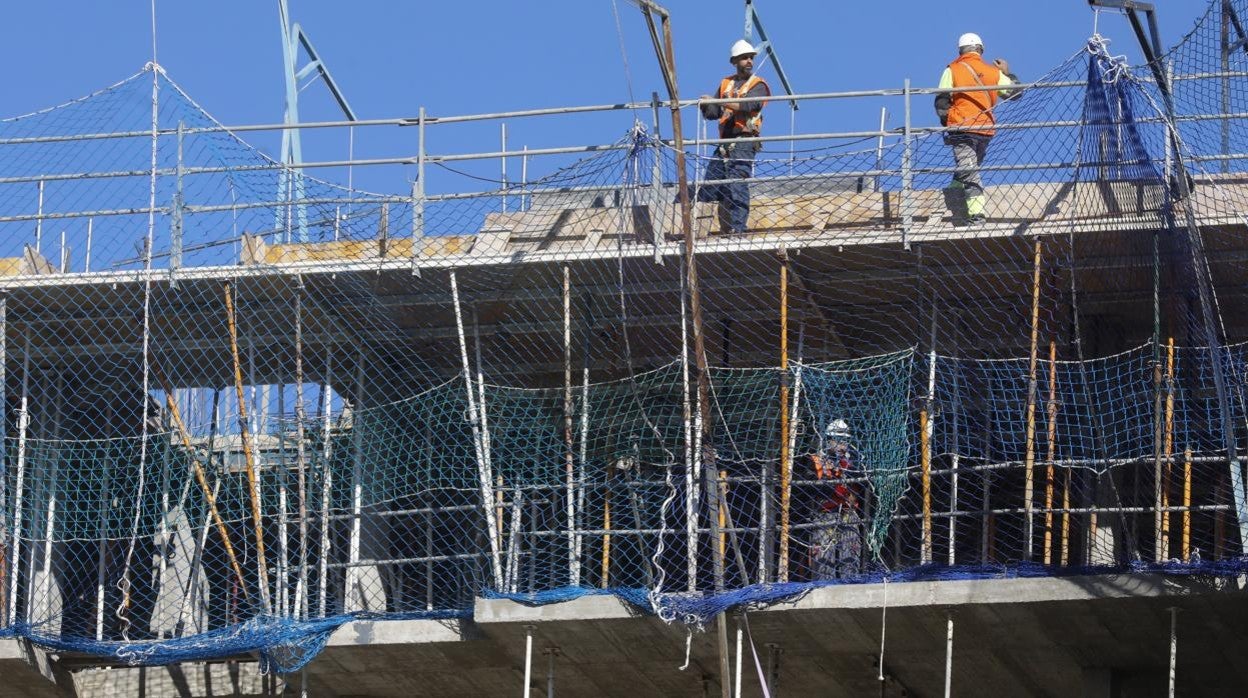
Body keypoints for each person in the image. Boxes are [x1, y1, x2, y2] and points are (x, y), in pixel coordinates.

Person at [934, 32, 1019, 225]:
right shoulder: (993, 72)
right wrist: (1007, 73)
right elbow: (1016, 93)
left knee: (969, 169)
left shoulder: (953, 69)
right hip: (984, 130)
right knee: (969, 167)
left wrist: (948, 124)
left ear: (960, 50)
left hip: (961, 127)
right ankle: (955, 190)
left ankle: (977, 214)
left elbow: (941, 101)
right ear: (980, 50)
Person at [697, 39, 771, 235]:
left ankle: (738, 229)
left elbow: (749, 105)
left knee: (737, 181)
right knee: (711, 185)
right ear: (734, 61)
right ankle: (702, 229)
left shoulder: (758, 84)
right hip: (724, 144)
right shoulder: (726, 84)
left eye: (751, 58)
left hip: (744, 141)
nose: (749, 61)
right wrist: (706, 104)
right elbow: (714, 113)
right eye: (744, 58)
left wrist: (719, 101)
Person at [808, 419, 862, 580]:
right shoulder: (816, 460)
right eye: (837, 440)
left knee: (850, 556)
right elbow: (809, 487)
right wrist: (832, 476)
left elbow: (863, 483)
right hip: (825, 513)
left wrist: (847, 469)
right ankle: (822, 589)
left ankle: (851, 587)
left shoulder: (854, 462)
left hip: (848, 514)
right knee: (823, 559)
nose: (841, 444)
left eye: (844, 440)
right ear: (828, 440)